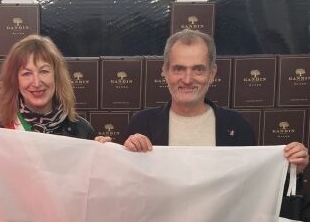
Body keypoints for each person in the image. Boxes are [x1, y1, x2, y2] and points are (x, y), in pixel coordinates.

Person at [116, 29, 309, 173]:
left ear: (212, 73)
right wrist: (107, 153)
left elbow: (254, 188)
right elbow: (125, 186)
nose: (187, 79)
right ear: (165, 72)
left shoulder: (237, 126)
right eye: (179, 69)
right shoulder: (141, 124)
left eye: (198, 69)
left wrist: (290, 170)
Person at [0, 34, 99, 140]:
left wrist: (102, 150)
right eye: (27, 73)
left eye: (44, 71)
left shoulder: (82, 131)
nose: (36, 83)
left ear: (57, 77)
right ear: (15, 81)